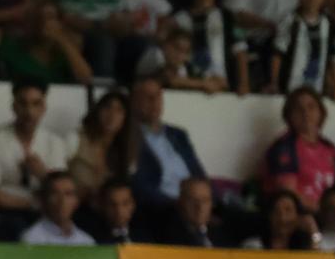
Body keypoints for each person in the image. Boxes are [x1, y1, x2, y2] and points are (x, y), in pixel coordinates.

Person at [0, 80, 72, 221]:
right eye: (23, 104)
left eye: (36, 104)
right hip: (7, 213)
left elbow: (62, 190)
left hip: (48, 213)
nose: (29, 111)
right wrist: (33, 204)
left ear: (44, 107)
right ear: (14, 107)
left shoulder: (54, 142)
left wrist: (43, 174)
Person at [129, 74, 206, 216]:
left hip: (195, 203)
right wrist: (179, 205)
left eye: (158, 96)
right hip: (164, 208)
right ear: (134, 101)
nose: (154, 102)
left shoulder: (178, 134)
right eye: (147, 97)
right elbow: (140, 186)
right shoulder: (129, 137)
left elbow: (198, 172)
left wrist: (210, 199)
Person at [263, 87, 335, 215]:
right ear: (289, 116)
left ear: (321, 112)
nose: (305, 112)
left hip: (331, 215)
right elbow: (289, 195)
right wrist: (323, 213)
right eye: (298, 109)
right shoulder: (284, 148)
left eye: (311, 107)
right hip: (299, 216)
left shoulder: (330, 149)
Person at [271, 0, 335, 96]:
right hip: (290, 87)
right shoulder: (290, 21)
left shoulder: (329, 24)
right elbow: (277, 54)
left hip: (317, 88)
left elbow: (332, 58)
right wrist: (274, 82)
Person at [68, 90, 134, 202]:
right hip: (75, 204)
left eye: (119, 111)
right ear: (97, 111)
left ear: (125, 119)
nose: (112, 115)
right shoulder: (76, 138)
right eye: (107, 107)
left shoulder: (125, 151)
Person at [22, 171, 96, 245]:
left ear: (76, 201)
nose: (62, 201)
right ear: (44, 200)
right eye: (55, 194)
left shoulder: (86, 241)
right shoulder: (32, 239)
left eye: (68, 194)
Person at [244, 188, 320, 251]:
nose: (282, 217)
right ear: (269, 217)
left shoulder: (303, 247)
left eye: (288, 210)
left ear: (298, 215)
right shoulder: (253, 245)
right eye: (276, 211)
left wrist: (313, 231)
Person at [161, 175, 226, 249]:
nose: (200, 207)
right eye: (193, 200)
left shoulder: (223, 233)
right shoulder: (169, 235)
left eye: (205, 200)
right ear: (181, 202)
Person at [88, 177, 142, 245]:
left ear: (133, 205)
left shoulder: (145, 238)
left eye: (125, 204)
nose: (119, 211)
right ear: (103, 206)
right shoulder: (91, 240)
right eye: (112, 204)